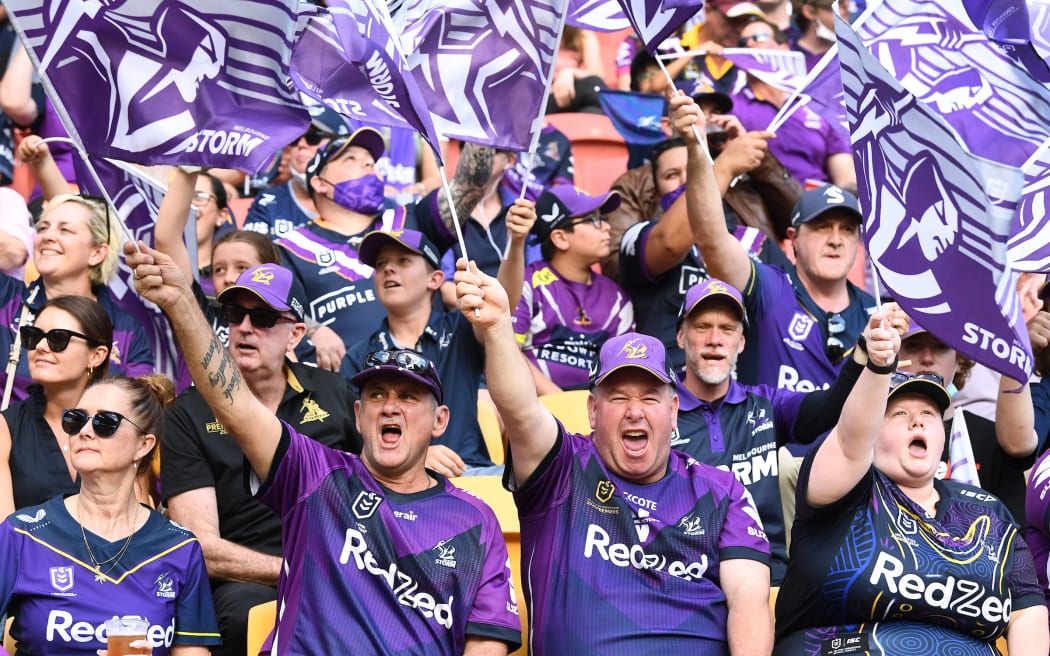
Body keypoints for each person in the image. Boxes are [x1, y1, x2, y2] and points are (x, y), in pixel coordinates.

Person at [127, 242, 522, 655]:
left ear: (440, 421)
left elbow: (487, 642)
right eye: (377, 395)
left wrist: (496, 326)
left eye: (407, 397)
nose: (389, 405)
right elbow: (233, 403)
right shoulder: (316, 478)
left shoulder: (474, 520)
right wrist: (181, 304)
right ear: (357, 413)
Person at [455, 262, 773, 654]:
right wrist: (499, 329)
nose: (635, 411)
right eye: (619, 397)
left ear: (673, 411)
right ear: (592, 411)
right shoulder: (561, 469)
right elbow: (519, 409)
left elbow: (749, 599)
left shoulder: (721, 490)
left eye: (650, 398)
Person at [774, 313, 1049, 654]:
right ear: (873, 430)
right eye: (899, 414)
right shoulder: (844, 493)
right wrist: (878, 367)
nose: (917, 420)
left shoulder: (987, 511)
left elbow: (1027, 613)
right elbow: (849, 442)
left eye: (930, 414)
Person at [162, 262, 361, 656]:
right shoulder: (188, 412)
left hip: (342, 566)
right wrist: (296, 570)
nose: (246, 327)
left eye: (265, 317)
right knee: (244, 613)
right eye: (236, 315)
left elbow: (380, 482)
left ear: (296, 334)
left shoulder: (336, 392)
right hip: (246, 582)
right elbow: (200, 545)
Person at [672, 277, 879, 584]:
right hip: (688, 581)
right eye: (702, 327)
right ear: (681, 337)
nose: (715, 339)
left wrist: (864, 352)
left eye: (727, 329)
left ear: (741, 342)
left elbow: (827, 409)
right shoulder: (658, 409)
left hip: (769, 580)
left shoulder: (766, 404)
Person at [0, 374, 221, 655]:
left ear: (144, 445)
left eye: (106, 422)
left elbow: (191, 650)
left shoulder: (179, 547)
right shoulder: (22, 533)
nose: (85, 431)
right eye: (76, 419)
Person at [677, 93, 876, 391]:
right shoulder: (769, 288)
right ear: (793, 238)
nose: (836, 240)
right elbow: (711, 238)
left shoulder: (875, 314)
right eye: (822, 227)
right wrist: (696, 147)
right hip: (768, 438)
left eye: (847, 230)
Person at [275, 127, 498, 356]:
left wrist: (475, 116)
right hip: (347, 383)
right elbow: (273, 310)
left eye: (372, 161)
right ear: (320, 183)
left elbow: (471, 183)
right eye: (351, 158)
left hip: (432, 369)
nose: (369, 164)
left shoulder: (412, 218)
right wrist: (315, 330)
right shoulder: (292, 248)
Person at [0, 137, 154, 404]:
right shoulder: (5, 299)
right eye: (43, 227)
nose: (47, 236)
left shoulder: (127, 331)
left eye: (65, 230)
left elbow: (137, 412)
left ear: (97, 252)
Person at [342, 228, 502, 477]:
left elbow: (501, 313)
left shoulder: (462, 328)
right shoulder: (358, 355)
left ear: (436, 279)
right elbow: (353, 442)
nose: (388, 269)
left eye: (403, 260)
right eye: (381, 263)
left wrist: (516, 243)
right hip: (391, 481)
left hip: (469, 473)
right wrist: (416, 458)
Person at [898, 321, 1041, 526]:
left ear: (960, 361)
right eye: (914, 346)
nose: (927, 358)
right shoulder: (872, 436)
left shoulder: (990, 437)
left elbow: (1015, 535)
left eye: (941, 346)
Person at [513, 185, 634, 393]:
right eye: (593, 220)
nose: (606, 227)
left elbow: (623, 371)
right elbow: (509, 353)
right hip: (534, 408)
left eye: (604, 219)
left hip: (594, 412)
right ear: (560, 238)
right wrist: (559, 400)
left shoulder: (617, 298)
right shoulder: (527, 284)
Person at [0, 296, 111, 517]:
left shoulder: (120, 425)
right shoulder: (6, 427)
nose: (40, 347)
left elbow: (138, 527)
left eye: (57, 338)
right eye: (33, 336)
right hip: (24, 552)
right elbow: (4, 536)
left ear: (96, 356)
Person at [729, 19, 855, 189]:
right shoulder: (732, 107)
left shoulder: (813, 102)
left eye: (759, 37)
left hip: (823, 207)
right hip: (765, 208)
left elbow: (846, 178)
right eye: (743, 43)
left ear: (784, 48)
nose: (749, 44)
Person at [242, 107, 347, 240]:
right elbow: (251, 254)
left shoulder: (361, 199)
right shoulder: (268, 203)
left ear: (340, 144)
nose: (302, 144)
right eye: (294, 139)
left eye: (313, 137)